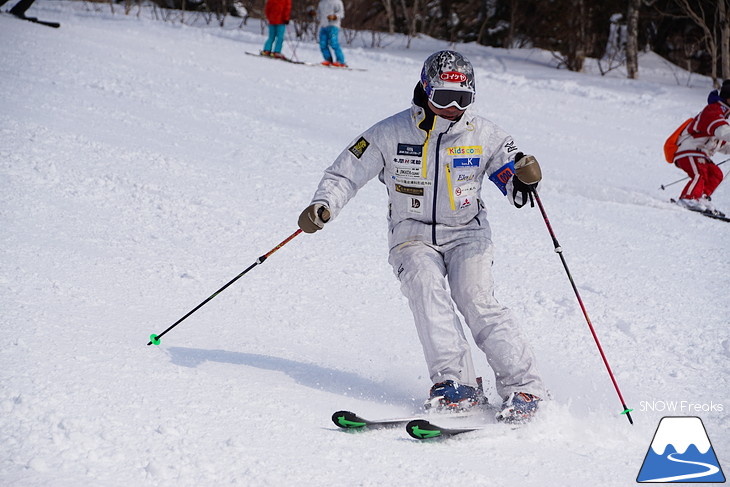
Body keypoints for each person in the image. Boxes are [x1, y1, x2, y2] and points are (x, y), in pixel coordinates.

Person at [297, 50, 547, 423]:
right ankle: (456, 385)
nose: (452, 107)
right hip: (412, 236)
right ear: (425, 91)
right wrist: (324, 205)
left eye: (462, 99)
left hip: (467, 233)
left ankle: (524, 388)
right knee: (426, 293)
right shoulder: (389, 132)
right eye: (443, 97)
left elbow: (513, 179)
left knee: (475, 299)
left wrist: (524, 180)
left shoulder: (486, 135)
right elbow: (344, 173)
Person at [673, 80, 730, 217]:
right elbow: (722, 131)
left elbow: (721, 143)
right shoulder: (713, 110)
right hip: (689, 150)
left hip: (700, 154)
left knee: (716, 174)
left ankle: (700, 198)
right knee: (699, 173)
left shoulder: (721, 115)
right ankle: (688, 198)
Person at [317, 0, 346, 67]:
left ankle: (340, 61)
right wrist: (313, 14)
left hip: (333, 25)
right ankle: (328, 59)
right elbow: (319, 14)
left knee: (333, 43)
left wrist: (335, 16)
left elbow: (341, 13)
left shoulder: (337, 2)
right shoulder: (322, 3)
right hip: (323, 25)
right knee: (323, 44)